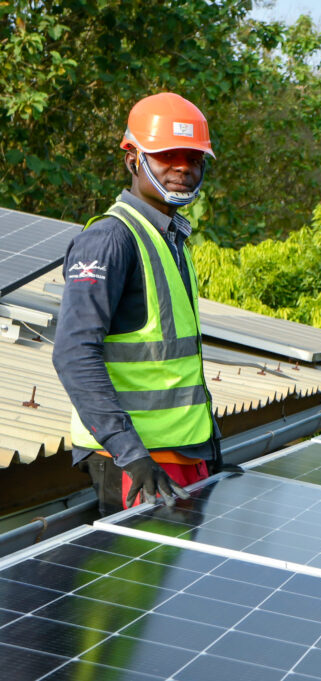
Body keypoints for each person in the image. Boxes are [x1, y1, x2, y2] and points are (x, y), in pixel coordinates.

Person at [54, 92, 221, 515]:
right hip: (137, 463)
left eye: (194, 158)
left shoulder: (171, 238)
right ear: (133, 159)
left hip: (180, 455)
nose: (183, 167)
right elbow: (74, 354)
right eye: (167, 156)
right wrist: (132, 455)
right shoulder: (110, 239)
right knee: (133, 580)